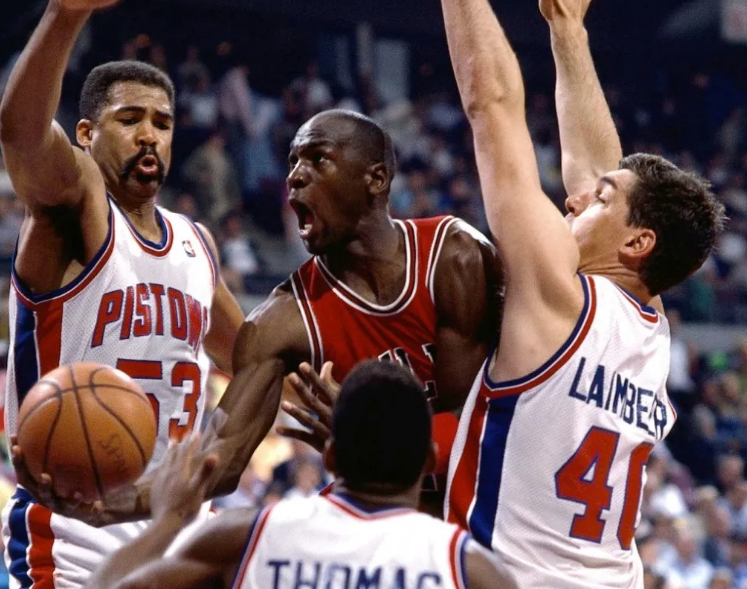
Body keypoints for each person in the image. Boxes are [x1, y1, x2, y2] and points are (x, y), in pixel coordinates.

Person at [440, 0, 725, 588]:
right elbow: (598, 169)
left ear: (638, 242)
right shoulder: (651, 325)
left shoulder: (561, 299)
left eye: (597, 201)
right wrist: (568, 29)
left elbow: (489, 104)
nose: (574, 198)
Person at [0, 0, 245, 586]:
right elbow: (22, 135)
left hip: (177, 530)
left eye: (162, 123)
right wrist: (64, 16)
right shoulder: (74, 207)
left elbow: (252, 359)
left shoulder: (197, 241)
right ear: (86, 133)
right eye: (129, 119)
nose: (149, 136)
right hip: (74, 533)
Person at [84, 361, 512, 589]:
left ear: (330, 457)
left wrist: (171, 518)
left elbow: (105, 586)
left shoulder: (246, 535)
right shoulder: (466, 568)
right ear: (429, 461)